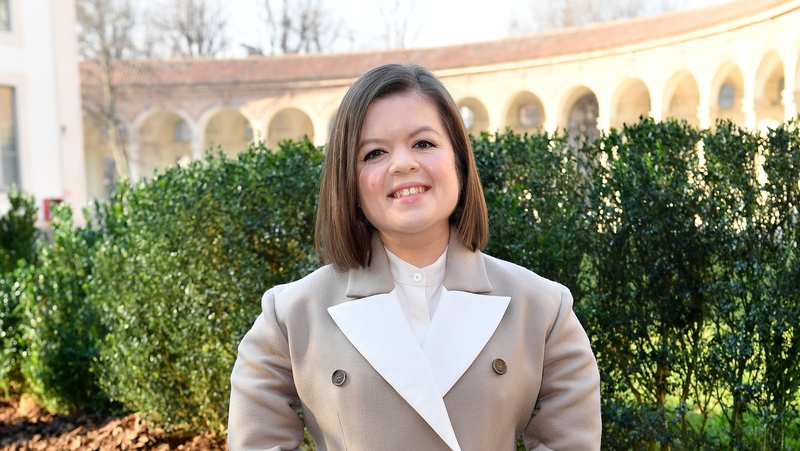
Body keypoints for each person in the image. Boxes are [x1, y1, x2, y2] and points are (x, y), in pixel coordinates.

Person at [228, 63, 601, 451]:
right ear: (349, 182)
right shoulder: (289, 318)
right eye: (373, 153)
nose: (403, 163)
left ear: (458, 159)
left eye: (423, 143)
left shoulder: (543, 310)